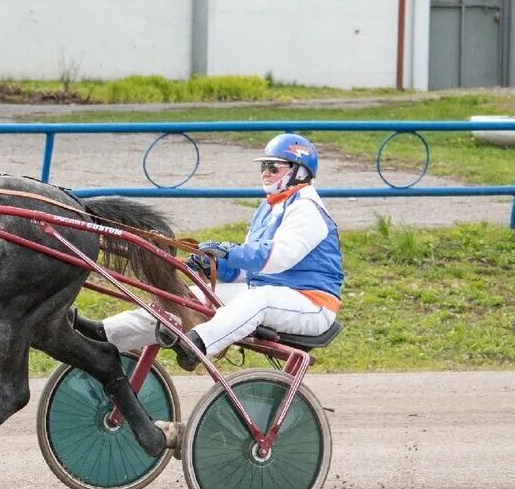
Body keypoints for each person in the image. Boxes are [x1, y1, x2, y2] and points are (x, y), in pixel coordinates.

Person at [74, 133, 343, 370]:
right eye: (263, 166)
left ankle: (197, 345)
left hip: (311, 303)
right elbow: (247, 271)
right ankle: (107, 333)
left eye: (273, 167)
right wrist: (214, 264)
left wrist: (230, 252)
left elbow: (276, 258)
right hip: (268, 293)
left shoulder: (307, 207)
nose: (265, 173)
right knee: (186, 297)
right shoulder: (269, 208)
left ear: (299, 171)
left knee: (259, 300)